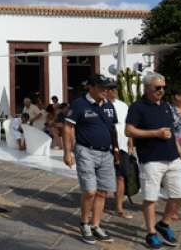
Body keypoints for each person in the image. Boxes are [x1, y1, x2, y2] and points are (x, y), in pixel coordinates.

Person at [126, 72, 181, 248]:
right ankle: (151, 233)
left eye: (163, 87)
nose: (161, 90)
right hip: (151, 159)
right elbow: (129, 131)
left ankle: (164, 223)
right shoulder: (137, 107)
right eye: (157, 87)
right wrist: (155, 133)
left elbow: (171, 133)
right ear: (147, 88)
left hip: (172, 157)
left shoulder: (166, 106)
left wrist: (180, 151)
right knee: (151, 198)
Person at [63, 74, 119, 244]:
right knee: (90, 191)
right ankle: (84, 223)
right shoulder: (79, 104)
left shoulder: (109, 106)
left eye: (108, 88)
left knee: (103, 191)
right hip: (86, 150)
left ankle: (96, 225)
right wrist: (67, 152)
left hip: (106, 153)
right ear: (91, 87)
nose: (106, 91)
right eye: (102, 87)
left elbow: (112, 129)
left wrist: (116, 148)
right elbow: (68, 127)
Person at [106, 80, 134, 219]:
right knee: (103, 177)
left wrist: (130, 143)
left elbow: (128, 125)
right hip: (106, 146)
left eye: (115, 89)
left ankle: (119, 208)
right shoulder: (101, 105)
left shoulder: (123, 105)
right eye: (111, 89)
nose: (114, 92)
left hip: (122, 145)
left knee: (121, 176)